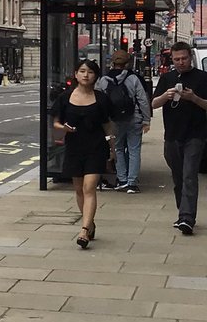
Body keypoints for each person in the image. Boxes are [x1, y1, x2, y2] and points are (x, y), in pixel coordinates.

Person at [51, 58, 114, 249]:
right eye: (82, 71)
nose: (86, 75)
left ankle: (84, 230)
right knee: (79, 189)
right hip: (74, 147)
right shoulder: (65, 98)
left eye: (90, 72)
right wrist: (64, 128)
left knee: (89, 188)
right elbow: (55, 124)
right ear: (76, 74)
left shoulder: (101, 98)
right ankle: (91, 222)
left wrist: (112, 148)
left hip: (96, 147)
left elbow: (108, 126)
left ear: (96, 76)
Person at [151, 41, 207, 235]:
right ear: (172, 60)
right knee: (178, 176)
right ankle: (183, 209)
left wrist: (194, 98)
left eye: (184, 58)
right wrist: (166, 96)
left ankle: (187, 218)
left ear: (190, 57)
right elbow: (154, 104)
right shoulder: (167, 78)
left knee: (190, 174)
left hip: (196, 135)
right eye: (177, 59)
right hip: (172, 135)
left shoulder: (203, 78)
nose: (181, 62)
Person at [95, 48, 151, 194]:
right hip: (134, 118)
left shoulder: (104, 80)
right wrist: (146, 119)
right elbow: (143, 100)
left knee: (117, 148)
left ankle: (122, 180)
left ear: (112, 63)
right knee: (134, 149)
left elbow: (99, 101)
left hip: (114, 121)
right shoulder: (133, 79)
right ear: (127, 64)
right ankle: (132, 183)